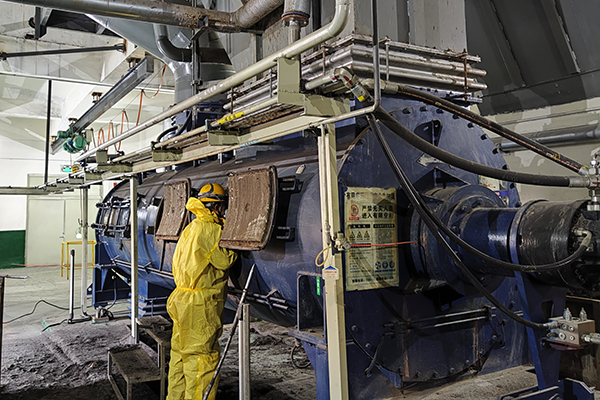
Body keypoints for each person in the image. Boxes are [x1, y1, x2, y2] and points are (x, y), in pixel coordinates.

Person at [167, 183, 238, 400]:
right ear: (217, 207)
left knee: (180, 357)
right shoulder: (211, 230)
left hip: (181, 298)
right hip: (200, 305)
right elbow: (225, 260)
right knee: (201, 361)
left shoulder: (191, 227)